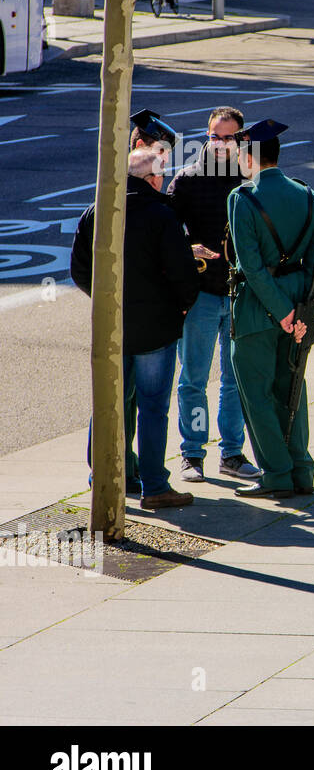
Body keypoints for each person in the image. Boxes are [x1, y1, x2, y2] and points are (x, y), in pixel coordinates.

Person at [71, 120, 200, 510]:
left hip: (112, 326)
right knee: (153, 408)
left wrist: (107, 300)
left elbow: (79, 270)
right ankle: (156, 486)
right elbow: (183, 275)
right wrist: (181, 305)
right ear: (152, 177)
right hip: (155, 331)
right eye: (161, 173)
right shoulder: (162, 216)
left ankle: (103, 477)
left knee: (108, 403)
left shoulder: (97, 211)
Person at [225, 121, 314, 499]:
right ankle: (301, 469)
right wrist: (302, 312)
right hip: (300, 300)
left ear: (250, 156)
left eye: (239, 154)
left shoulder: (242, 198)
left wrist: (281, 312)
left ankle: (277, 473)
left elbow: (250, 267)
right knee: (292, 388)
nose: (237, 159)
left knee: (257, 392)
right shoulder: (309, 195)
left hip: (257, 309)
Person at [167, 107, 263, 485]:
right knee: (193, 378)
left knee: (234, 379)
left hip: (240, 294)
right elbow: (167, 231)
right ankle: (192, 454)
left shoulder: (250, 179)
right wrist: (190, 247)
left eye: (227, 137)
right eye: (213, 136)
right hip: (201, 295)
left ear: (241, 138)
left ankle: (233, 454)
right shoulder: (188, 179)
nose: (219, 143)